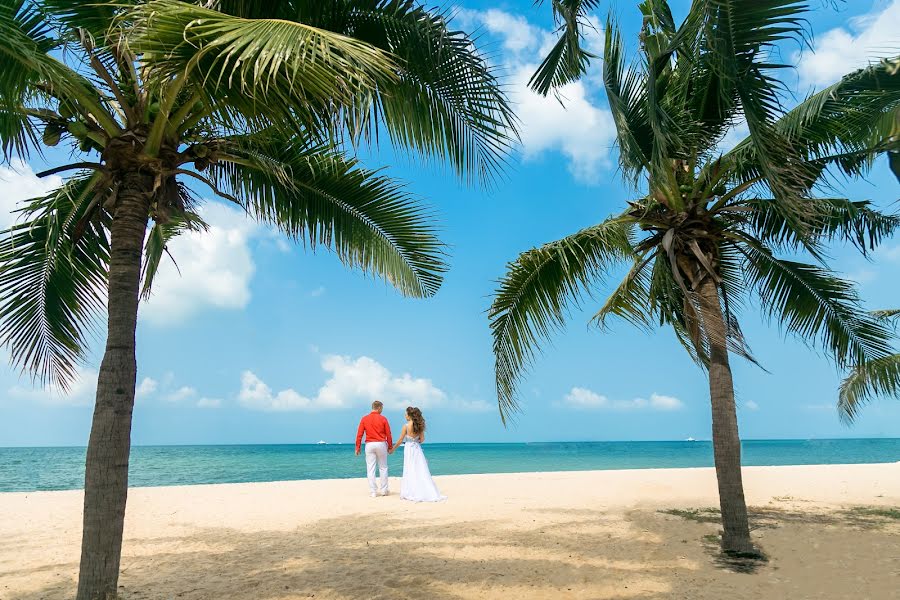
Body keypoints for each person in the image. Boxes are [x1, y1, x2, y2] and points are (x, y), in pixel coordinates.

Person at [389, 407, 446, 502]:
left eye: (406, 414)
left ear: (410, 415)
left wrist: (392, 449)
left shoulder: (406, 426)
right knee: (420, 469)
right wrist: (415, 440)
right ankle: (423, 490)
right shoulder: (419, 426)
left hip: (409, 449)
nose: (405, 415)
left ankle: (411, 491)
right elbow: (422, 439)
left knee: (409, 468)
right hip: (417, 449)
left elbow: (400, 440)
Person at [355, 400, 393, 498]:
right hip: (381, 444)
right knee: (383, 467)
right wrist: (390, 446)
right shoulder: (383, 419)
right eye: (382, 408)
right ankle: (384, 490)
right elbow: (388, 434)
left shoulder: (364, 418)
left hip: (370, 444)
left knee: (370, 468)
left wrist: (357, 447)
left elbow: (359, 434)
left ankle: (373, 491)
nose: (382, 410)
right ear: (379, 407)